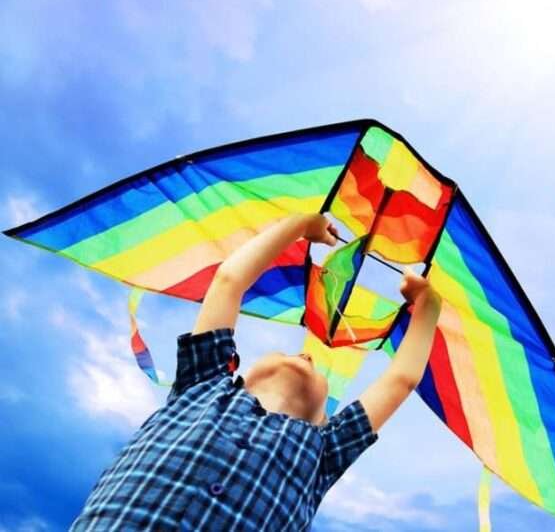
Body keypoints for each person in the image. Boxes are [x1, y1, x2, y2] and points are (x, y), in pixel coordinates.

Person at [71, 212, 442, 531]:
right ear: (239, 372)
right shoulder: (204, 384)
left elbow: (401, 379)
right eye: (290, 351)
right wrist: (298, 225)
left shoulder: (324, 451)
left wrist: (428, 304)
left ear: (324, 418)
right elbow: (229, 280)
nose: (306, 356)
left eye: (312, 365)